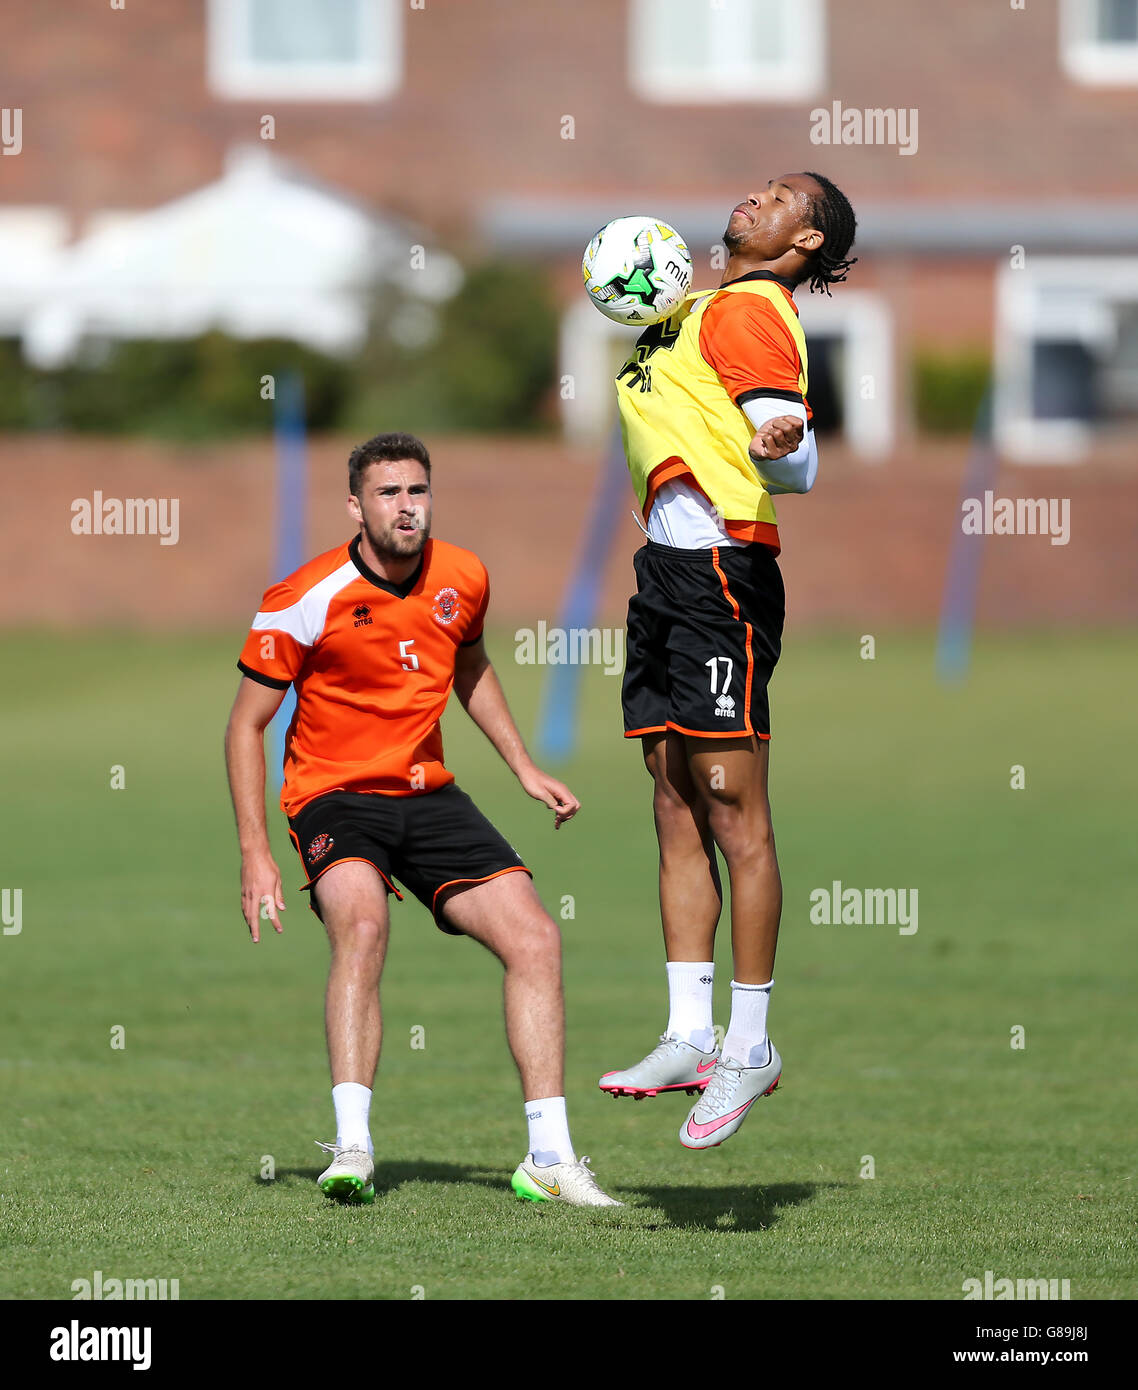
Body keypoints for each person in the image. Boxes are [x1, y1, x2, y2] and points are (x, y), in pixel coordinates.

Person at [225, 431, 621, 1206]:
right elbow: (245, 725)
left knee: (536, 938)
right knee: (363, 926)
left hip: (427, 795)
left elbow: (469, 667)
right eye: (388, 493)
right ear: (355, 505)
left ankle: (549, 1156)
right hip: (334, 795)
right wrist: (255, 851)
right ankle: (353, 1146)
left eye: (417, 490)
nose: (406, 507)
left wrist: (524, 767)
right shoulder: (303, 596)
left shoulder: (463, 575)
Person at [599, 172, 857, 1150]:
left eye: (783, 198)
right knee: (672, 798)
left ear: (803, 244)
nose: (756, 198)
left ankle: (748, 1045)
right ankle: (686, 1030)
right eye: (758, 186)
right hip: (664, 572)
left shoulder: (753, 309)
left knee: (733, 809)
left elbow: (789, 460)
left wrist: (785, 439)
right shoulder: (692, 306)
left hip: (719, 574)